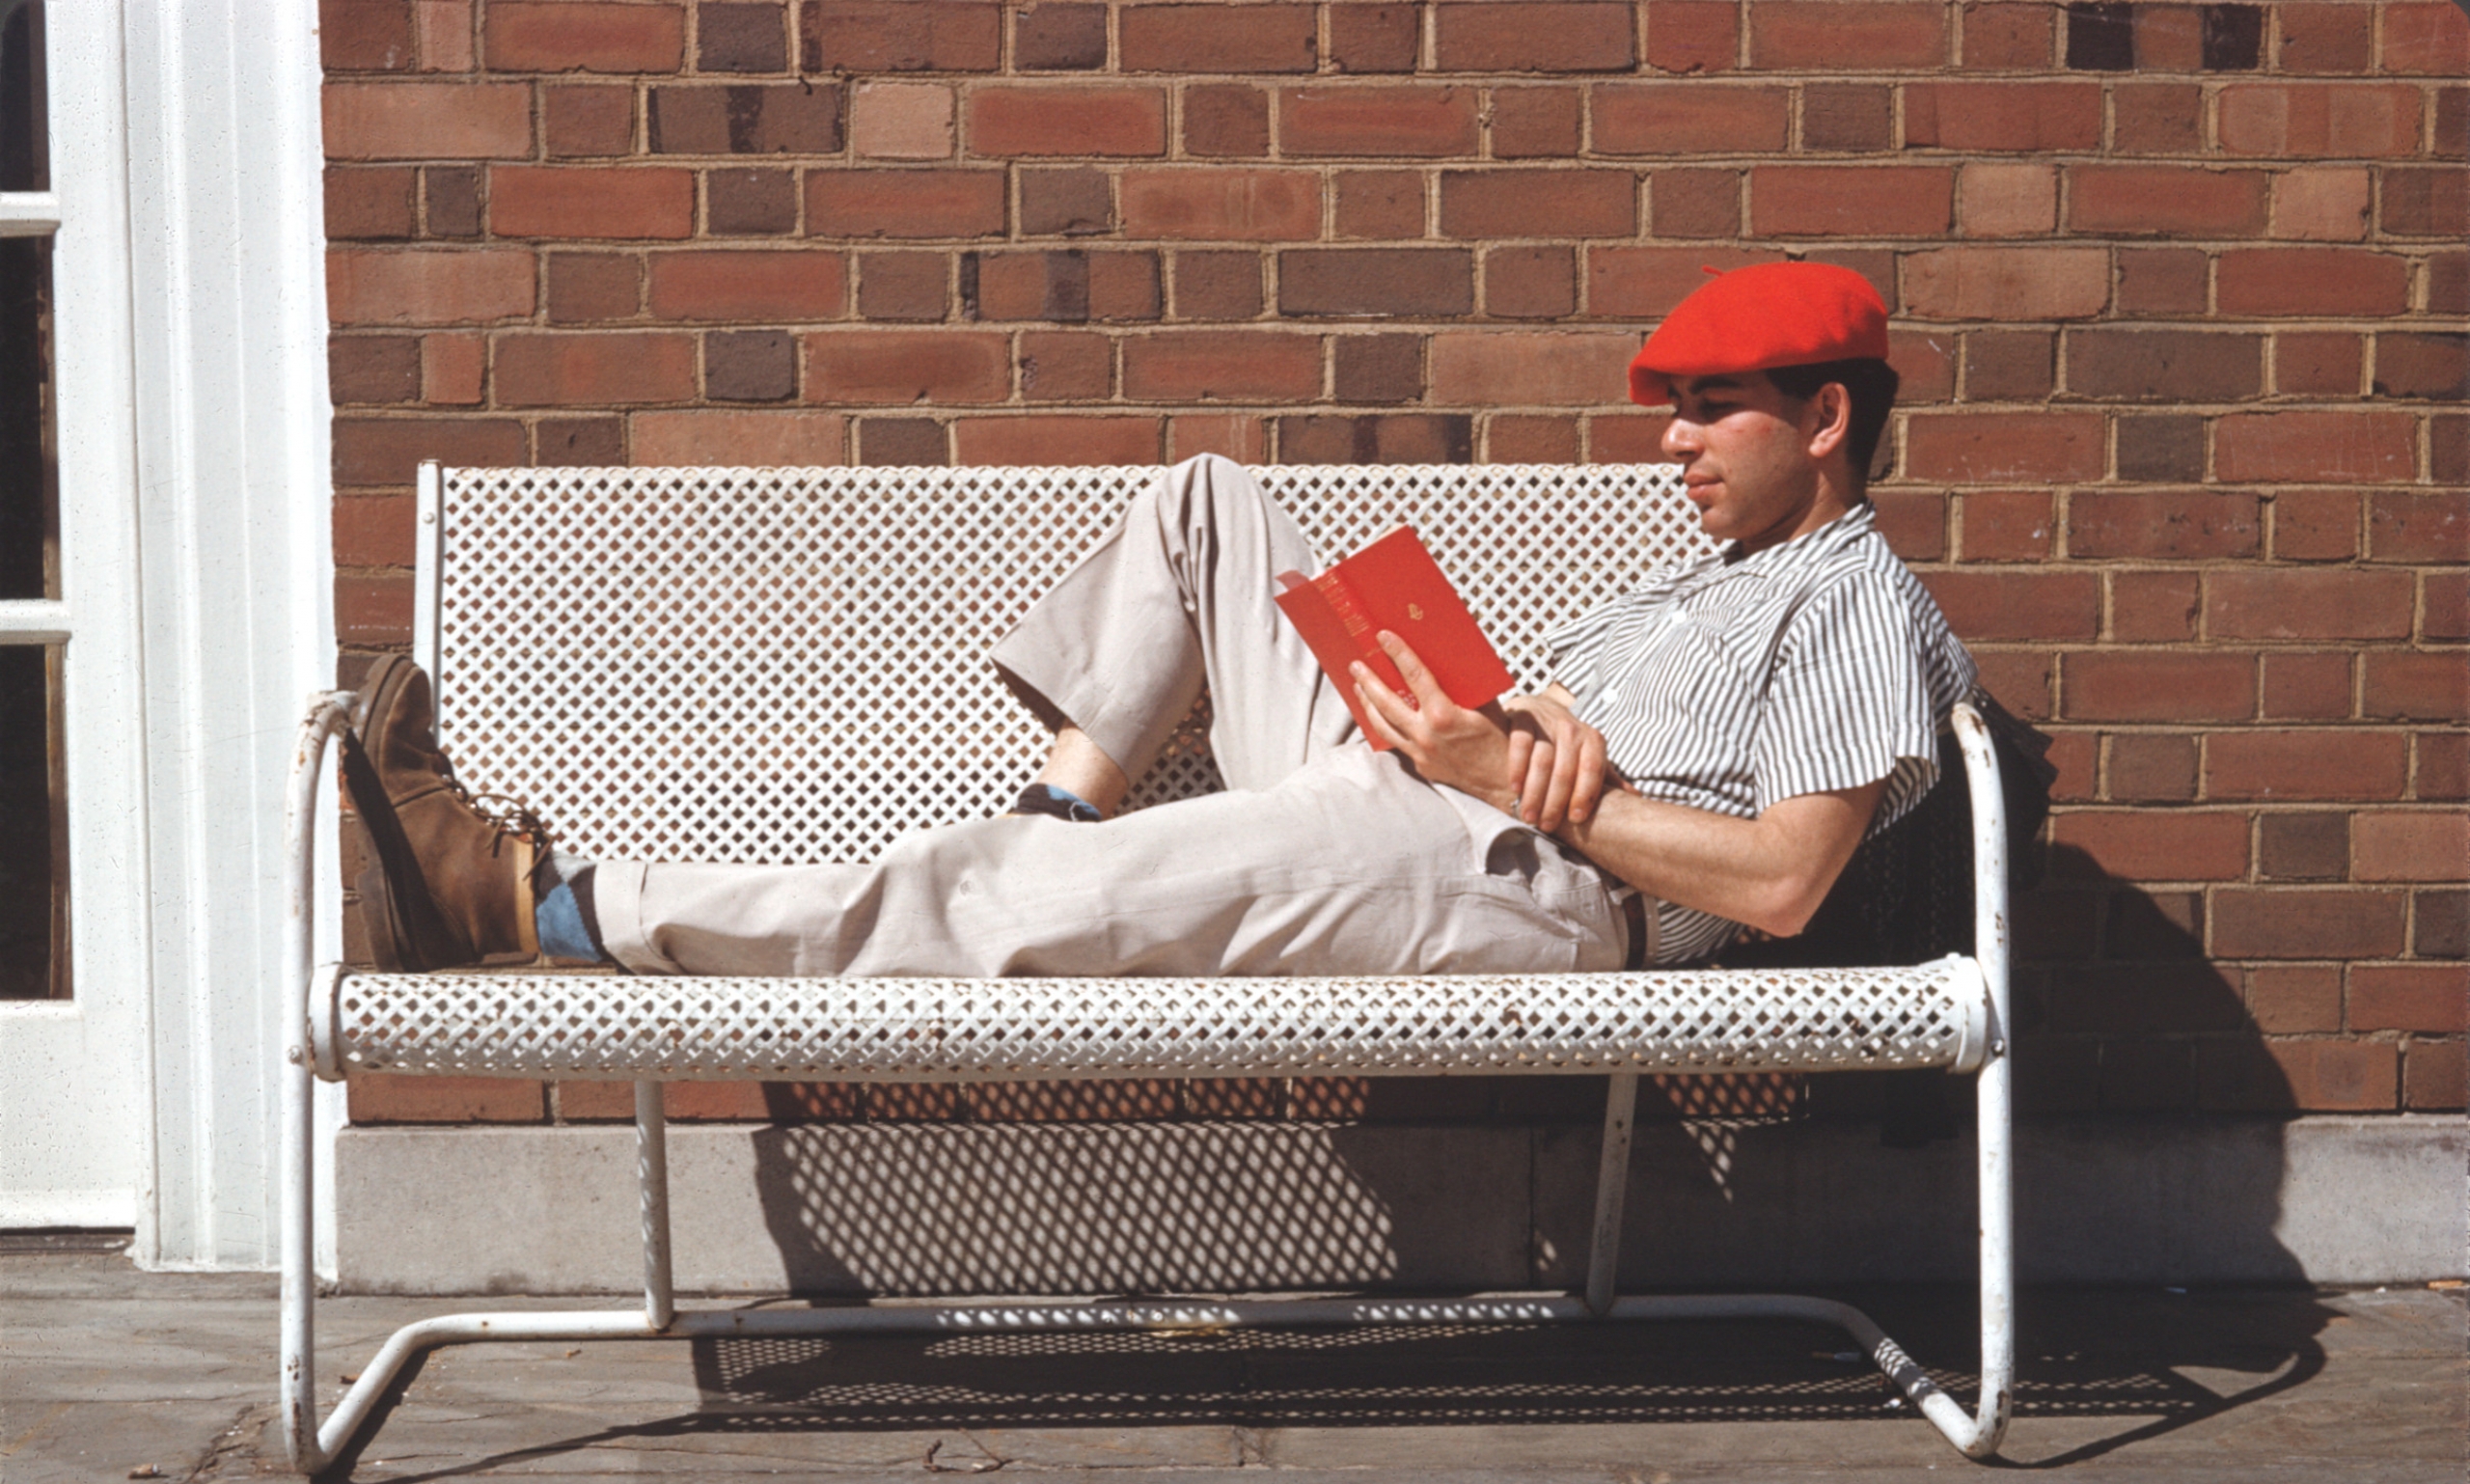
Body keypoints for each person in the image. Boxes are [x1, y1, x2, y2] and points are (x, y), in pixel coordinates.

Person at [345, 261, 1975, 981]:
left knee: (1003, 898)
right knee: (1209, 502)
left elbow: (1778, 883)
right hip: (1452, 785)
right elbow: (1594, 747)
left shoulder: (1850, 600)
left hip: (1519, 880)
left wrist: (1521, 777)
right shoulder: (1713, 570)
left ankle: (534, 906)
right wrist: (1529, 719)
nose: (1670, 440)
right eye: (1671, 410)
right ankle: (1064, 809)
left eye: (1708, 410)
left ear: (1825, 419)